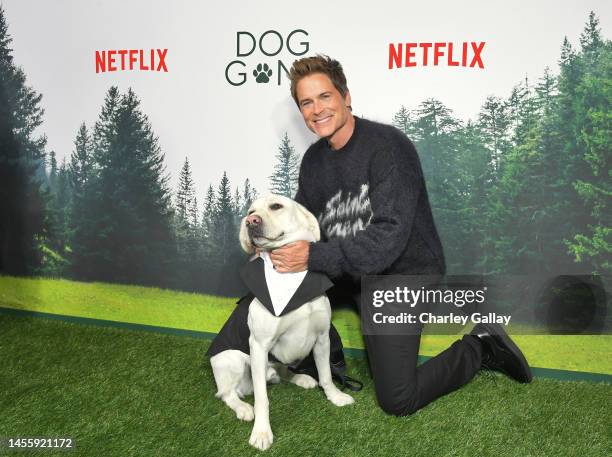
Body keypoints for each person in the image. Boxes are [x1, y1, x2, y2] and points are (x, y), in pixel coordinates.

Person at [269, 55, 532, 416]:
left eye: (325, 97)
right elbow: (301, 222)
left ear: (345, 97)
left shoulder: (388, 148)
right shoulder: (314, 161)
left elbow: (385, 242)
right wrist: (270, 244)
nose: (317, 110)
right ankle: (322, 361)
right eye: (306, 102)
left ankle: (482, 345)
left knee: (397, 399)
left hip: (400, 272)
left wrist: (312, 258)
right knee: (274, 281)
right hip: (348, 267)